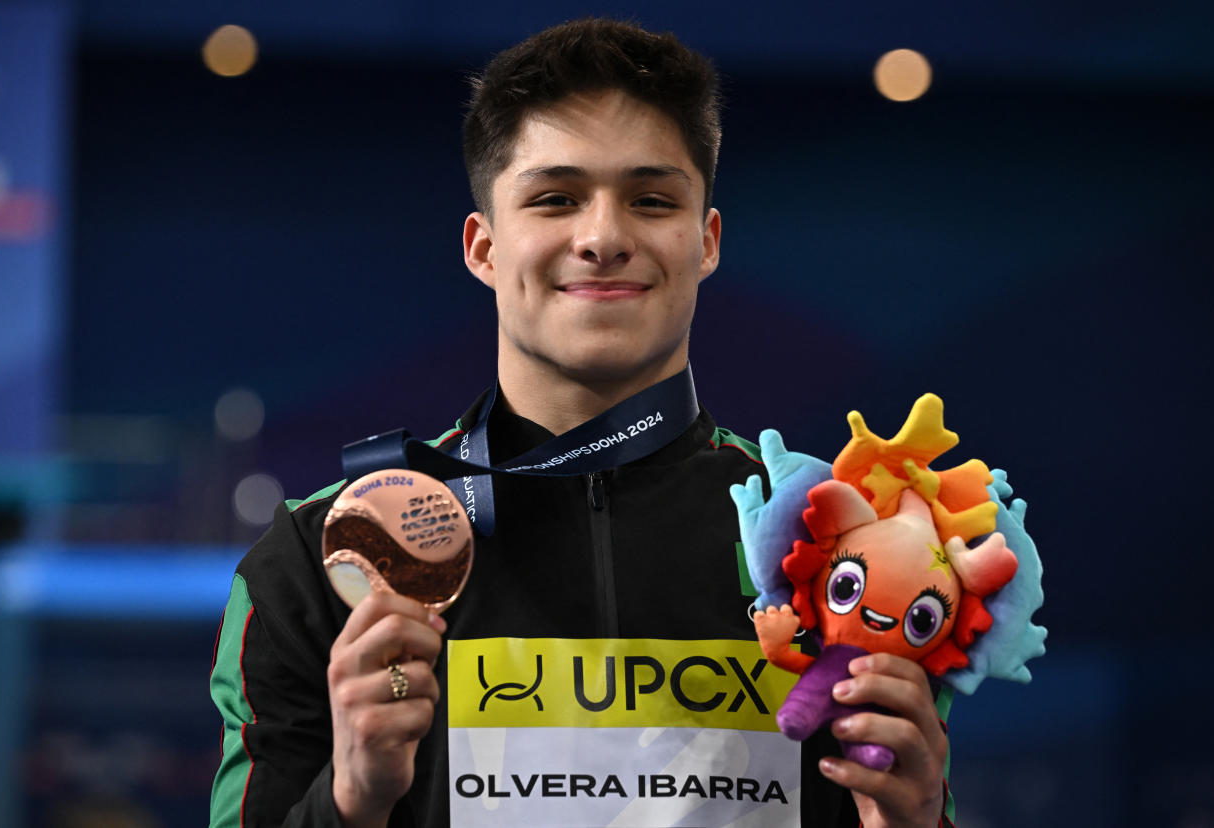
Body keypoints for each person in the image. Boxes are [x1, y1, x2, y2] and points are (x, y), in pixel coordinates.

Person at [209, 18, 952, 828]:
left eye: (652, 199)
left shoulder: (840, 549)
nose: (603, 237)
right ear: (484, 248)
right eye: (556, 198)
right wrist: (351, 800)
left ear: (704, 242)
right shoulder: (327, 558)